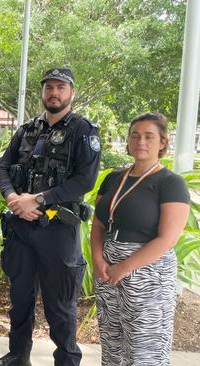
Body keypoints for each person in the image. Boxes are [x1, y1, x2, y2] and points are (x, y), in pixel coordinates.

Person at [0, 68, 101, 366]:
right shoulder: (27, 129)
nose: (54, 92)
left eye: (61, 87)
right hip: (21, 228)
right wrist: (13, 198)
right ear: (42, 92)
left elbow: (85, 181)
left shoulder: (83, 130)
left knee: (60, 307)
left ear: (71, 92)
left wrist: (39, 199)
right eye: (49, 87)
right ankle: (17, 355)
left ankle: (66, 361)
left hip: (57, 231)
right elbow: (3, 168)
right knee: (20, 300)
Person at [91, 112, 189, 366]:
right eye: (135, 135)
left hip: (147, 272)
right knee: (112, 342)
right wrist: (97, 258)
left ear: (163, 142)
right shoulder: (114, 178)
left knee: (145, 348)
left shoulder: (170, 183)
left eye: (149, 136)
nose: (140, 141)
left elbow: (167, 239)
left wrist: (124, 267)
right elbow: (99, 222)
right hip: (107, 270)